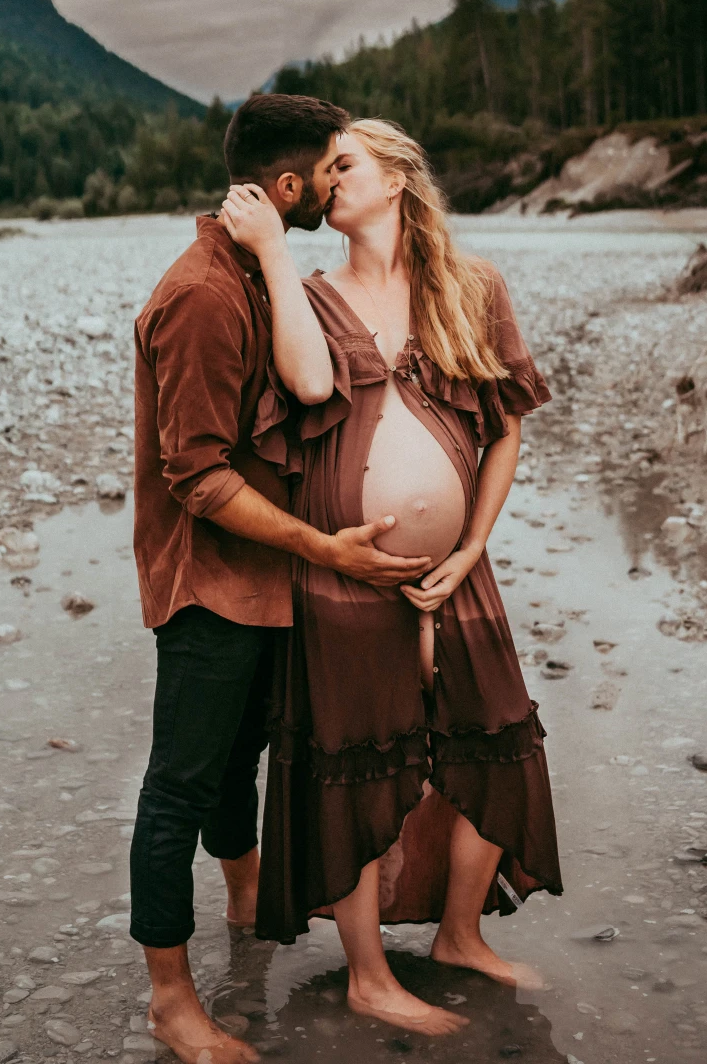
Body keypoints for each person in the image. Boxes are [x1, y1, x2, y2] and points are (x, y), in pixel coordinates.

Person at [220, 116, 563, 1039]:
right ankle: (368, 975)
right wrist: (272, 260)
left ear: (399, 179)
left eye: (346, 165)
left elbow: (506, 430)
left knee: (494, 734)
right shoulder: (315, 293)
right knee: (352, 764)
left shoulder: (473, 288)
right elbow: (305, 384)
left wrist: (468, 551)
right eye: (323, 169)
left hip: (460, 574)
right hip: (344, 572)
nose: (327, 181)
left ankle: (459, 935)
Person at [130, 95, 432, 1064]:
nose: (333, 187)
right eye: (328, 171)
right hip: (209, 584)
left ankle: (247, 899)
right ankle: (171, 1000)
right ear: (289, 184)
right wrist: (327, 548)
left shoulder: (256, 274)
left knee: (237, 763)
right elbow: (198, 475)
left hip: (261, 585)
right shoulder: (202, 296)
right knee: (178, 786)